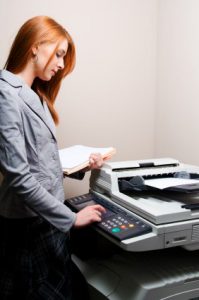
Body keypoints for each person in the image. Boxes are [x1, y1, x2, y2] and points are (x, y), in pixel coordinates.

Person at [0, 16, 107, 300]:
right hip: (28, 226)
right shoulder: (5, 94)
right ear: (35, 46)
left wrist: (85, 164)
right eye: (59, 53)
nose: (61, 64)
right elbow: (20, 177)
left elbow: (41, 162)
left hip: (46, 221)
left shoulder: (35, 94)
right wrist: (71, 219)